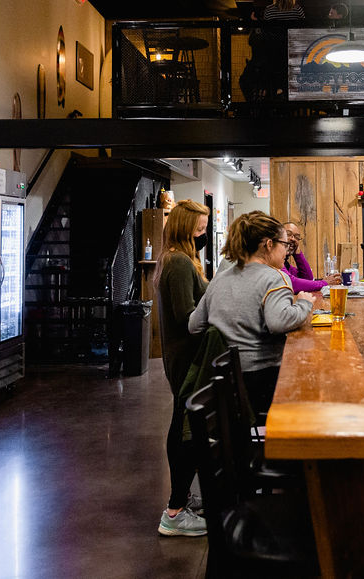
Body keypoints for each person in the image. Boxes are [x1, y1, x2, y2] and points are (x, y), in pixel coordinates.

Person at [189, 212, 314, 417]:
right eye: (284, 244)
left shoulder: (219, 279)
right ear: (268, 245)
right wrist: (303, 304)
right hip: (260, 381)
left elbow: (194, 325)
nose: (286, 250)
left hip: (222, 383)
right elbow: (278, 322)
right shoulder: (276, 277)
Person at [152, 199, 210, 537]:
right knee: (184, 429)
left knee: (184, 424)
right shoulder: (178, 263)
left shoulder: (182, 259)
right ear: (184, 227)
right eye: (199, 228)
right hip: (185, 358)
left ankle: (182, 499)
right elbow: (186, 318)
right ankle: (174, 511)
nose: (202, 234)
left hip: (183, 356)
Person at [281, 222, 341, 293]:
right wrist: (324, 283)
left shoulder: (286, 264)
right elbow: (292, 284)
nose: (293, 239)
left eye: (297, 237)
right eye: (288, 234)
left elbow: (308, 278)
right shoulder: (275, 262)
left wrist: (298, 253)